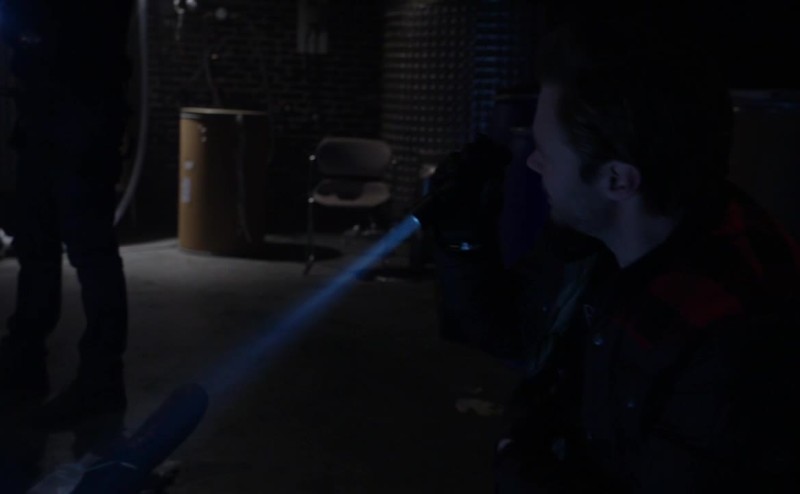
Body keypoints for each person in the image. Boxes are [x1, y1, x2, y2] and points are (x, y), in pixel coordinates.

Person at [432, 16, 800, 493]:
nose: (533, 162)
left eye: (546, 151)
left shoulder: (738, 326)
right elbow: (514, 331)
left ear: (616, 180)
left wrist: (523, 468)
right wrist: (464, 237)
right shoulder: (596, 237)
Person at [0, 0, 133, 428]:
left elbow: (62, 30)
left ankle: (101, 378)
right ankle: (26, 359)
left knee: (89, 252)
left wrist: (25, 31)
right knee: (37, 245)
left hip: (83, 118)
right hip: (48, 114)